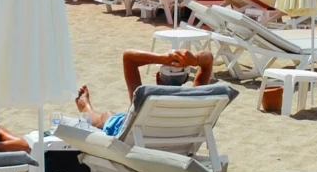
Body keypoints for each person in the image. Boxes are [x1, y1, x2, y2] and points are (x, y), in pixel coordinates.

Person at [72, 48, 219, 134]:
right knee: (117, 116)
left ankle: (85, 107)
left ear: (158, 78)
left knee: (107, 117)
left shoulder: (145, 99)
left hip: (139, 139)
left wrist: (163, 58)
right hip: (178, 141)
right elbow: (208, 59)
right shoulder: (196, 99)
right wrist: (194, 60)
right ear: (186, 77)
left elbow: (128, 57)